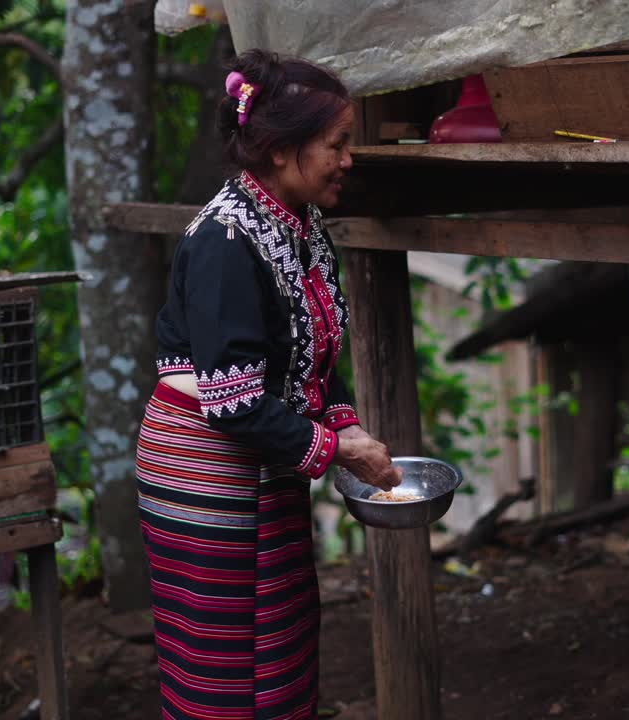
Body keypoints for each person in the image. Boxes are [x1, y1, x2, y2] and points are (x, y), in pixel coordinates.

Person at [135, 49, 401, 720]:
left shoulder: (303, 227)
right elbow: (234, 403)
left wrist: (344, 423)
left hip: (258, 461)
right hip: (206, 473)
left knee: (281, 647)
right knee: (226, 670)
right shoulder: (226, 242)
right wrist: (340, 450)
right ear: (281, 150)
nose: (349, 159)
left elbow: (317, 352)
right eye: (336, 144)